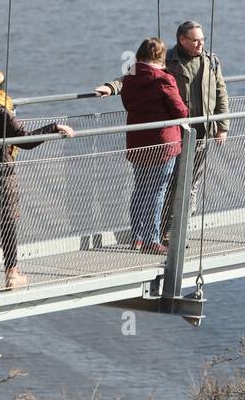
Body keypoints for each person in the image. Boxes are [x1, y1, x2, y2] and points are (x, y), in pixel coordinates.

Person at [96, 19, 229, 242]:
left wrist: (222, 126)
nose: (200, 44)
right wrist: (111, 87)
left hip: (201, 132)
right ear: (182, 40)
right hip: (176, 133)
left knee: (189, 186)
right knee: (166, 186)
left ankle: (176, 232)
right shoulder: (166, 58)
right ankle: (164, 233)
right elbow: (134, 74)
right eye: (195, 40)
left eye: (203, 40)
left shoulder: (211, 61)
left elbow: (220, 92)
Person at [0, 69, 75, 292]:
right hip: (1, 175)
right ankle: (12, 274)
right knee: (7, 223)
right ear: (0, 89)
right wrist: (54, 127)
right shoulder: (2, 111)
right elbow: (26, 141)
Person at [119, 37, 188, 254]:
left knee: (140, 188)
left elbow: (128, 104)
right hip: (162, 143)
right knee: (157, 192)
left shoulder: (129, 77)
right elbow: (181, 111)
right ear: (161, 57)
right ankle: (152, 240)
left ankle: (138, 238)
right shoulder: (163, 79)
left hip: (138, 142)